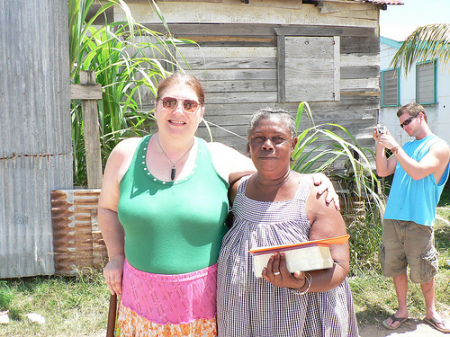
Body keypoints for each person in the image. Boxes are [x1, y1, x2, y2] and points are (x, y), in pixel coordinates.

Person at [98, 73, 338, 336]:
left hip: (204, 299)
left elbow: (277, 174)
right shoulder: (126, 153)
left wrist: (314, 179)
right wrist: (115, 256)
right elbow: (108, 208)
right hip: (141, 293)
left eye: (189, 104)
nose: (178, 111)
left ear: (201, 112)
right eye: (169, 102)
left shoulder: (219, 157)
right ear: (155, 107)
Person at [217, 108, 358, 337]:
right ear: (249, 145)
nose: (267, 145)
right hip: (242, 315)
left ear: (293, 144)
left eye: (278, 139)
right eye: (259, 139)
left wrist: (300, 283)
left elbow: (339, 266)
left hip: (301, 316)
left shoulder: (315, 196)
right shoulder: (237, 192)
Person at [374, 103, 450, 333]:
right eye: (401, 124)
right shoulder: (406, 146)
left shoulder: (440, 146)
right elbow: (383, 171)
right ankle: (402, 310)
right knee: (396, 266)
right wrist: (380, 145)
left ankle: (431, 312)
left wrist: (395, 147)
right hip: (393, 216)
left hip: (419, 218)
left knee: (424, 268)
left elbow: (417, 172)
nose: (404, 127)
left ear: (421, 117)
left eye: (407, 121)